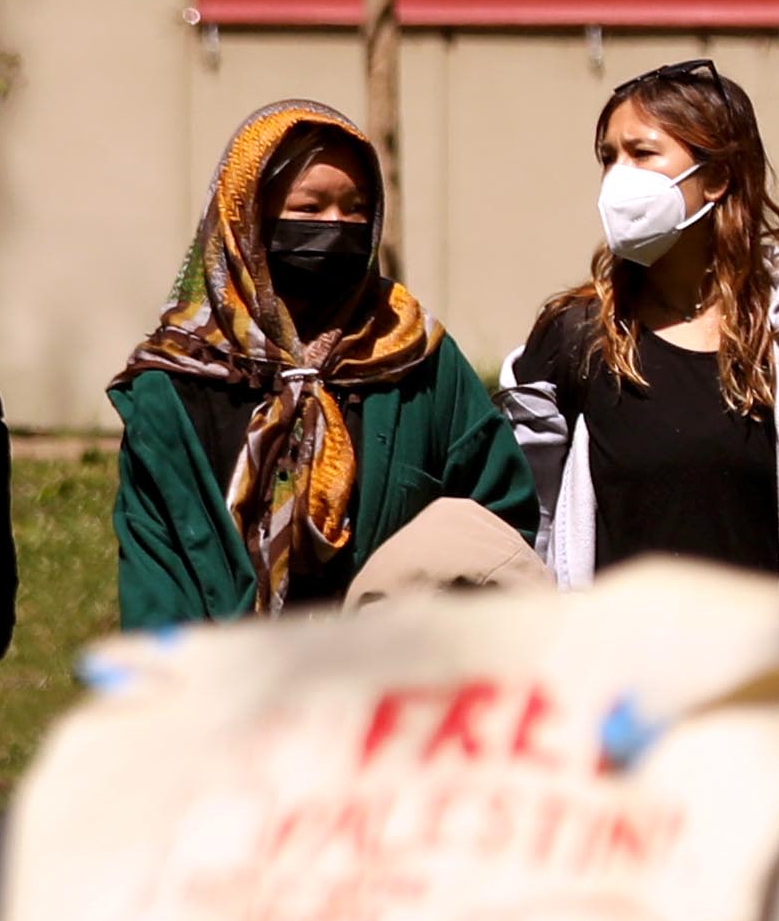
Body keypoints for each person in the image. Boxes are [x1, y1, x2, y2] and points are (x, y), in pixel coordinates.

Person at [503, 58, 779, 616]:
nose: (617, 177)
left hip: (765, 685)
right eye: (608, 157)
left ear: (718, 177)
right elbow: (517, 530)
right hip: (616, 687)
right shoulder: (573, 336)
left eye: (642, 153)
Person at [112, 99, 537, 626]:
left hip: (389, 686)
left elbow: (499, 521)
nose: (335, 226)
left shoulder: (414, 356)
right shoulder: (175, 383)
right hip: (228, 690)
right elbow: (157, 573)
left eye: (355, 209)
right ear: (245, 218)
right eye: (309, 209)